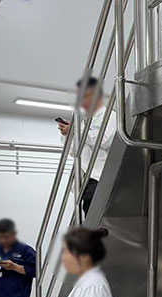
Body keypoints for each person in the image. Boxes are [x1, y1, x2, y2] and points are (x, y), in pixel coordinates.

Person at [58, 76, 116, 216]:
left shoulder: (110, 116)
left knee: (94, 212)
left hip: (99, 176)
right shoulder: (83, 121)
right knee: (87, 212)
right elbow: (74, 151)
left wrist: (76, 131)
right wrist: (69, 134)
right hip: (85, 176)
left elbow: (104, 140)